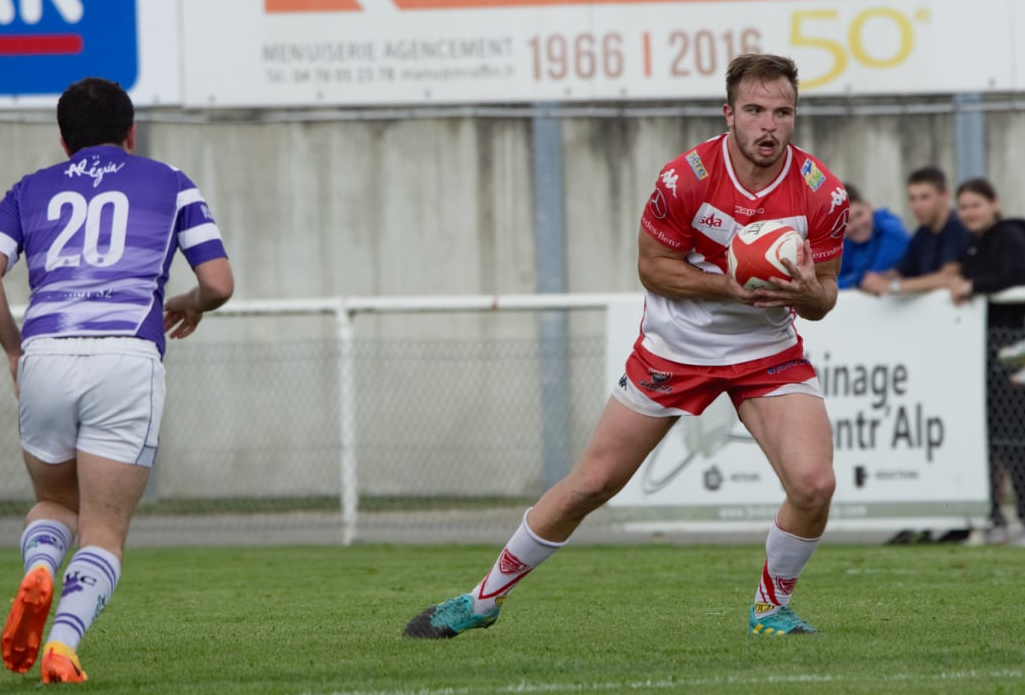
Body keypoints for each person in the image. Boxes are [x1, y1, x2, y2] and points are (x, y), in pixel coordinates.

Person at [404, 54, 846, 639]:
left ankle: (771, 610)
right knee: (591, 484)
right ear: (729, 114)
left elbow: (825, 297)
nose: (768, 125)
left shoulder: (823, 194)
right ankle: (482, 599)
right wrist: (729, 286)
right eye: (755, 110)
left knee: (815, 484)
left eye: (782, 112)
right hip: (674, 349)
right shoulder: (684, 178)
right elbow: (652, 269)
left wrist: (806, 290)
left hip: (765, 352)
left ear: (795, 117)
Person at [0, 78, 234, 684]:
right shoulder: (171, 182)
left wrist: (14, 347)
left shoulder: (28, 190)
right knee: (104, 528)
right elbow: (219, 283)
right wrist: (189, 301)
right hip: (124, 358)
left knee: (56, 502)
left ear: (64, 141)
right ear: (130, 134)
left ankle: (39, 569)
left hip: (46, 355)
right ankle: (61, 644)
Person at [950, 178, 1025, 542]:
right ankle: (996, 519)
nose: (969, 213)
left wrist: (973, 286)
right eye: (963, 207)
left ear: (994, 204)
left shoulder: (1009, 237)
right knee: (992, 439)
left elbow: (1019, 275)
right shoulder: (975, 244)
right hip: (988, 354)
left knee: (1020, 438)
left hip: (1015, 353)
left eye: (975, 205)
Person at [878, 166, 969, 294]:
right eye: (912, 199)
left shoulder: (958, 227)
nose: (917, 206)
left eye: (925, 197)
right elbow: (901, 271)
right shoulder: (922, 233)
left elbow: (948, 277)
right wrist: (878, 280)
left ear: (944, 196)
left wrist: (894, 286)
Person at [837, 185, 910, 292]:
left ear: (869, 206)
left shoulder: (892, 231)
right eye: (848, 222)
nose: (857, 225)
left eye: (859, 214)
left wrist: (849, 281)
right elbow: (828, 281)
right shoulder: (847, 241)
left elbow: (871, 281)